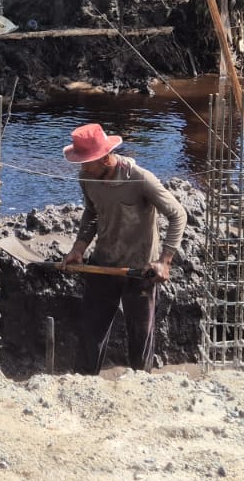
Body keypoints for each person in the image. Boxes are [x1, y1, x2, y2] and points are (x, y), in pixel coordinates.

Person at [62, 123, 188, 374]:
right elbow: (92, 213)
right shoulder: (87, 177)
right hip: (104, 264)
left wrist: (164, 261)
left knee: (141, 339)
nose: (82, 167)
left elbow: (178, 215)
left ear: (105, 158)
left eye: (87, 162)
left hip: (141, 270)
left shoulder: (140, 178)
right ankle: (86, 384)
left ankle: (141, 386)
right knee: (90, 333)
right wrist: (79, 247)